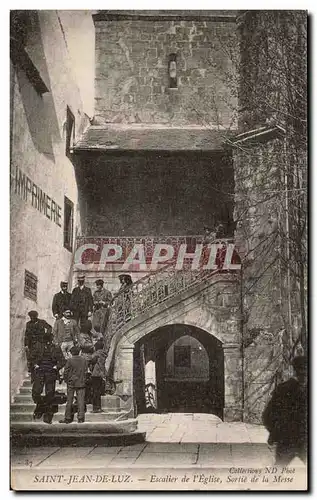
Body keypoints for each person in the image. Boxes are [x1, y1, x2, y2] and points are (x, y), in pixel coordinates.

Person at [262, 355, 307, 466]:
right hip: (294, 439)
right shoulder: (283, 389)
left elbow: (268, 415)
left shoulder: (283, 389)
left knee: (278, 471)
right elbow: (268, 415)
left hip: (287, 439)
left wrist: (275, 433)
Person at [32, 337, 66, 423]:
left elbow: (62, 361)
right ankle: (40, 406)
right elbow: (31, 357)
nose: (47, 342)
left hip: (51, 372)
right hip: (40, 372)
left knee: (50, 394)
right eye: (45, 339)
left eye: (49, 339)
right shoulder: (38, 347)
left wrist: (56, 367)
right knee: (36, 392)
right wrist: (35, 364)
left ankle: (48, 415)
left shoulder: (56, 348)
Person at [61, 345, 88, 423]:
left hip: (71, 383)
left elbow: (65, 372)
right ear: (79, 352)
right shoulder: (84, 360)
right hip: (81, 382)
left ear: (71, 353)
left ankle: (67, 418)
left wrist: (67, 380)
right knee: (81, 401)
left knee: (69, 400)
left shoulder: (70, 360)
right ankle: (81, 418)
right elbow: (86, 372)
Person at [24, 311, 52, 382]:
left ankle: (40, 376)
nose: (32, 318)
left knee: (40, 359)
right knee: (32, 360)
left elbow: (49, 328)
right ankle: (33, 378)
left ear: (36, 316)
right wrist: (26, 345)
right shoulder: (28, 324)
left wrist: (46, 336)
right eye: (31, 317)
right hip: (32, 345)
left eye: (34, 317)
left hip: (41, 343)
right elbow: (26, 335)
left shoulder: (42, 322)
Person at [90, 340, 106, 413]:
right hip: (100, 374)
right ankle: (98, 407)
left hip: (95, 374)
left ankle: (96, 408)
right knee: (98, 392)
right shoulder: (103, 354)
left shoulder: (96, 354)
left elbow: (91, 360)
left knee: (95, 392)